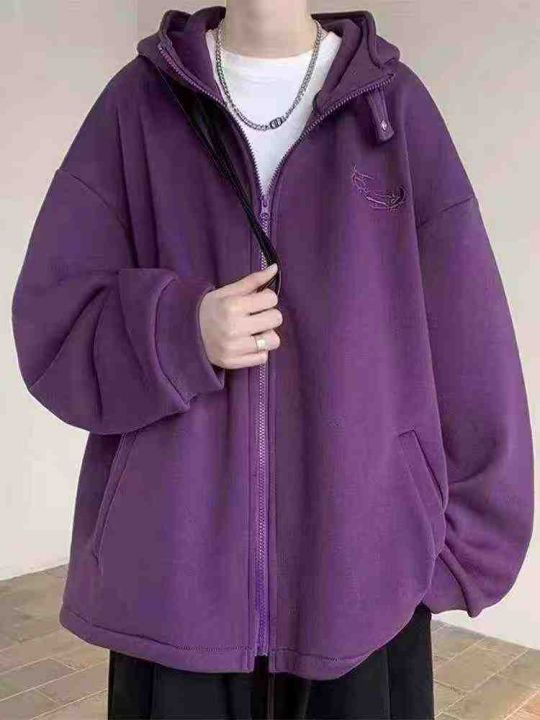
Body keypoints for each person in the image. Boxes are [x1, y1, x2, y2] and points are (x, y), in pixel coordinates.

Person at [12, 2, 534, 719]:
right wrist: (180, 331)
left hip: (360, 577)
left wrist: (460, 546)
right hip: (172, 580)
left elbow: (470, 337)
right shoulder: (138, 105)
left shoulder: (393, 108)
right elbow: (55, 320)